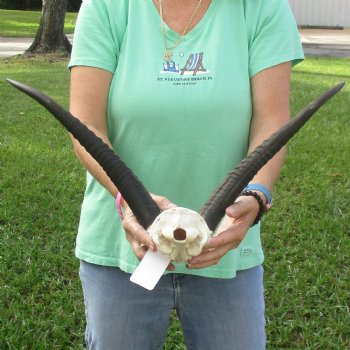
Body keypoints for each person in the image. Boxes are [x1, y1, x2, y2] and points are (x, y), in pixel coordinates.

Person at [68, 0, 304, 349]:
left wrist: (256, 195)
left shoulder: (261, 6)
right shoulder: (106, 5)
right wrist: (128, 202)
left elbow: (271, 122)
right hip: (122, 247)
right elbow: (85, 124)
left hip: (225, 244)